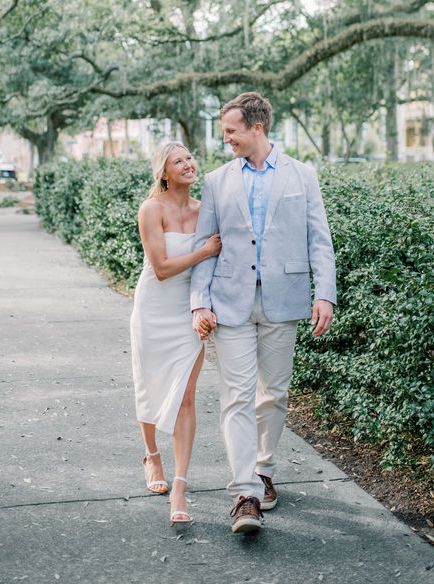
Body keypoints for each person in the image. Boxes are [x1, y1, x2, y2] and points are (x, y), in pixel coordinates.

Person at [190, 92, 336, 534]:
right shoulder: (216, 180)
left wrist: (324, 293)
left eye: (231, 132)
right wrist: (200, 300)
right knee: (235, 396)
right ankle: (245, 494)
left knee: (273, 393)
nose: (226, 140)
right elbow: (205, 246)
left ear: (257, 127)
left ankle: (264, 469)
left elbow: (319, 239)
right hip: (229, 301)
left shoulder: (302, 175)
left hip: (284, 298)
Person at [130, 142, 221, 526]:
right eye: (178, 161)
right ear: (164, 173)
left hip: (187, 313)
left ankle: (180, 487)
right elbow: (163, 268)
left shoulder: (206, 212)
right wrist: (204, 251)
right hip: (153, 309)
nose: (188, 164)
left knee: (185, 395)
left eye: (189, 158)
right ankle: (152, 455)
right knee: (149, 387)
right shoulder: (152, 209)